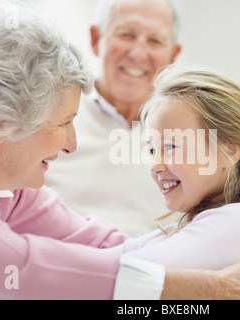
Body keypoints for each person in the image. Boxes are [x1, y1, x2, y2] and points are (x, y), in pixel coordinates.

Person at [0, 1, 240, 300]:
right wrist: (205, 289)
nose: (72, 143)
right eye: (64, 123)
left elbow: (107, 247)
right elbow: (23, 266)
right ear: (2, 122)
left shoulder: (12, 194)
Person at [101, 66, 240, 275]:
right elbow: (96, 258)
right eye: (152, 150)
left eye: (170, 147)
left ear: (229, 151)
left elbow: (110, 275)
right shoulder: (179, 234)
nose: (155, 166)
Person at [45, 0, 183, 235]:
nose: (138, 53)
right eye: (126, 35)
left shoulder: (191, 135)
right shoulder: (46, 116)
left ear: (173, 55)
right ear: (96, 38)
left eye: (155, 41)